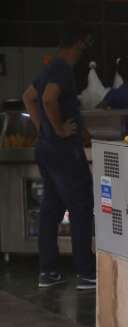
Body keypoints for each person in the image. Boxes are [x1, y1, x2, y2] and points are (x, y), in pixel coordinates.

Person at [22, 22, 96, 290]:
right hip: (64, 152)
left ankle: (48, 271)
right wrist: (58, 129)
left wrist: (44, 129)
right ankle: (87, 273)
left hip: (47, 150)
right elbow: (49, 99)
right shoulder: (63, 69)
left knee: (51, 209)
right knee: (80, 206)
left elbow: (28, 97)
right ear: (78, 44)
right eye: (86, 44)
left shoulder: (49, 67)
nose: (86, 50)